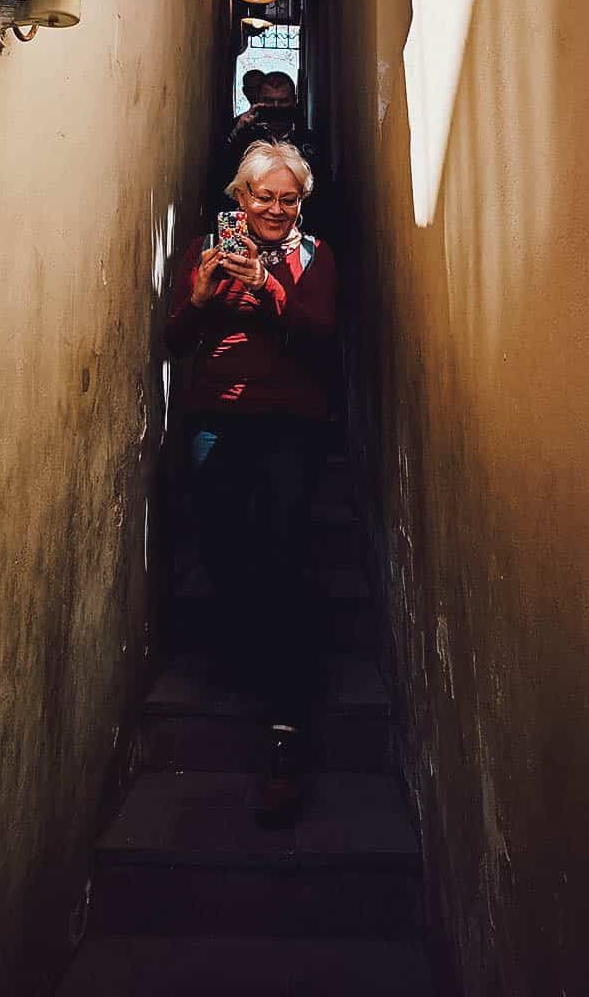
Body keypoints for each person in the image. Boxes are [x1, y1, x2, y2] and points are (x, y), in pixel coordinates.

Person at [166, 140, 338, 826]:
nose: (274, 208)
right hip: (216, 414)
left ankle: (287, 716)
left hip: (291, 419)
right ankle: (248, 639)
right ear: (239, 198)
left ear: (300, 202)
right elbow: (175, 338)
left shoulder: (315, 258)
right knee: (219, 537)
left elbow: (321, 332)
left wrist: (268, 288)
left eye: (287, 198)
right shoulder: (208, 250)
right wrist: (202, 297)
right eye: (262, 196)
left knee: (284, 548)